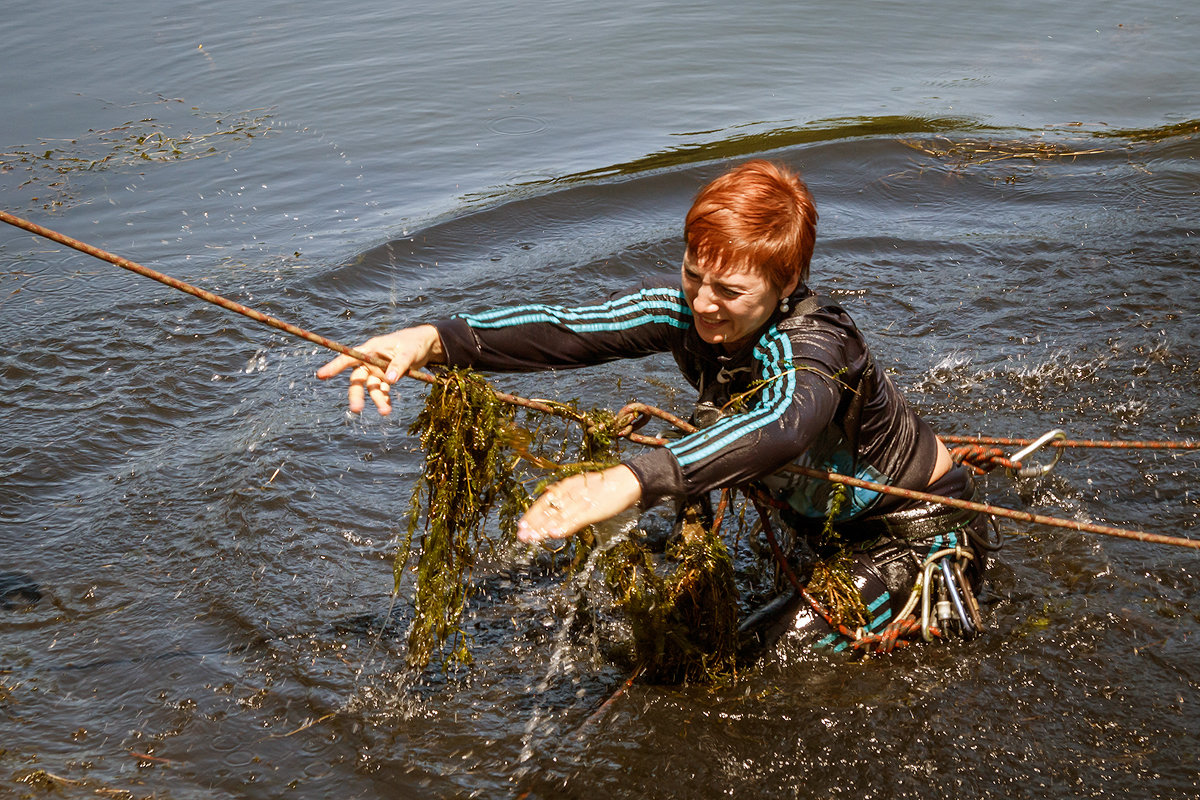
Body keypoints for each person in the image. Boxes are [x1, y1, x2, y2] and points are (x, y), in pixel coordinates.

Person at [317, 160, 993, 649]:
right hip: (814, 528)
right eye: (693, 275)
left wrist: (630, 479)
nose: (702, 303)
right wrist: (433, 339)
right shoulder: (683, 311)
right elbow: (569, 326)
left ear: (786, 280)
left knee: (745, 661)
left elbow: (782, 425)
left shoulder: (815, 347)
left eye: (728, 290)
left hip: (915, 530)